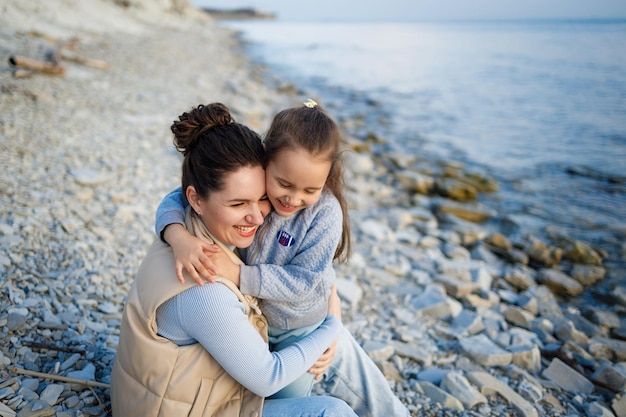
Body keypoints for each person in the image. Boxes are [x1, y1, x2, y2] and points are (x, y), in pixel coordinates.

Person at [154, 100, 410, 417]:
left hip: (298, 326)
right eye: (283, 184)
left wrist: (239, 275)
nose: (292, 199)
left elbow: (306, 279)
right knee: (277, 396)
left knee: (309, 379)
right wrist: (176, 235)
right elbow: (178, 196)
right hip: (259, 319)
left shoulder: (323, 213)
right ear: (266, 161)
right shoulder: (256, 185)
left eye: (309, 190)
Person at [110, 102, 357, 417]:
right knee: (332, 410)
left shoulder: (188, 225)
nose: (256, 217)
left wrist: (175, 233)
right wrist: (332, 325)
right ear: (196, 198)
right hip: (189, 409)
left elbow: (312, 266)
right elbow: (269, 377)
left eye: (261, 198)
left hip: (176, 394)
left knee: (343, 353)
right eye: (239, 203)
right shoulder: (205, 284)